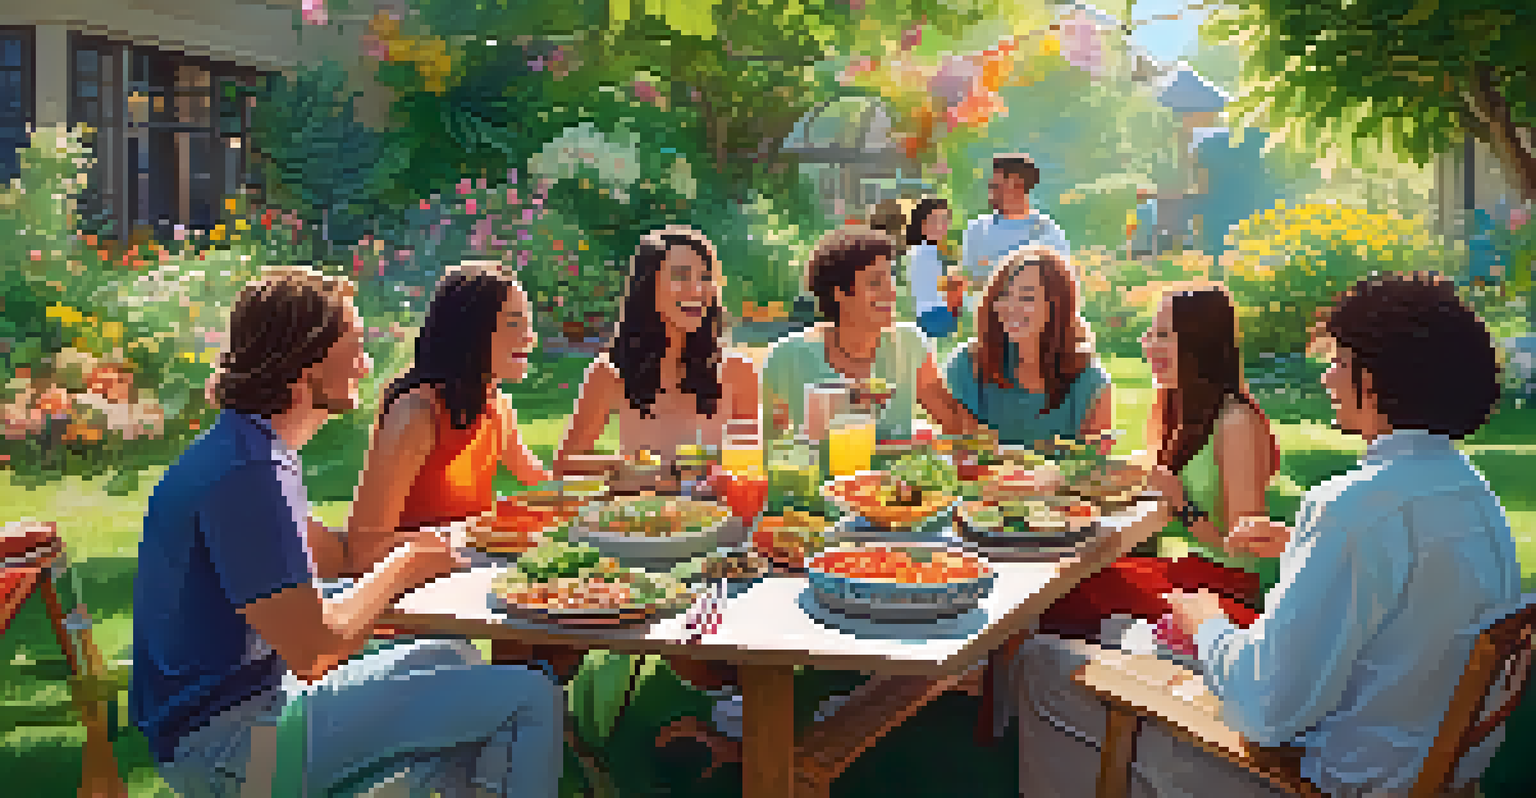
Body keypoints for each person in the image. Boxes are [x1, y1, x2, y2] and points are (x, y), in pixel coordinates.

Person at [1011, 272, 1520, 797]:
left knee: (1042, 664)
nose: (1327, 379)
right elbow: (1409, 588)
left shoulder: (1350, 509)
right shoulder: (1470, 492)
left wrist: (1206, 623)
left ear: (1373, 380)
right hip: (1427, 769)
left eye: (1338, 362)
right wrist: (1300, 544)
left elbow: (1265, 708)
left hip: (1321, 779)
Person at [132, 266, 563, 798]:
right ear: (304, 364)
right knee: (530, 697)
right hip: (235, 751)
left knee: (450, 657)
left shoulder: (249, 450)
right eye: (353, 347)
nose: (365, 364)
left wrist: (412, 556)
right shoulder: (248, 473)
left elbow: (321, 573)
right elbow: (315, 650)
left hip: (243, 716)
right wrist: (401, 566)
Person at [347, 262, 550, 564]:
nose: (530, 338)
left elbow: (544, 488)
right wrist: (473, 538)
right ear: (469, 331)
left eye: (528, 325)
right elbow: (364, 547)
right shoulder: (417, 413)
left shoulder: (496, 406)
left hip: (471, 570)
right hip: (412, 584)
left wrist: (608, 492)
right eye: (513, 323)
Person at [554, 226, 759, 474]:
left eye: (705, 278)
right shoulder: (611, 372)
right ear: (648, 287)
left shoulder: (738, 372)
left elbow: (752, 465)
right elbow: (565, 465)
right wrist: (631, 468)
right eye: (681, 276)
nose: (697, 290)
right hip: (640, 501)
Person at [763, 225, 973, 443]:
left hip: (897, 467)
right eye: (875, 282)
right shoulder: (788, 357)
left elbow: (956, 422)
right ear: (839, 293)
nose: (890, 292)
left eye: (890, 278)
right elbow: (767, 442)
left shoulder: (908, 344)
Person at [939, 245, 1111, 449]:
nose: (1010, 307)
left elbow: (1093, 464)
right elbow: (960, 451)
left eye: (1027, 297)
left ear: (1057, 306)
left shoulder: (1091, 382)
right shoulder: (968, 365)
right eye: (1004, 295)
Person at [960, 153, 1071, 312]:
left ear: (1018, 185)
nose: (990, 193)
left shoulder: (1047, 232)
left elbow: (1061, 286)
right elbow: (968, 282)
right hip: (988, 318)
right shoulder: (977, 229)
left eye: (996, 187)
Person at [905, 197, 966, 341]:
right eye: (937, 221)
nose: (943, 226)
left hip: (930, 314)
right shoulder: (925, 251)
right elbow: (945, 287)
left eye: (945, 220)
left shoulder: (925, 250)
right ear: (923, 225)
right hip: (936, 315)